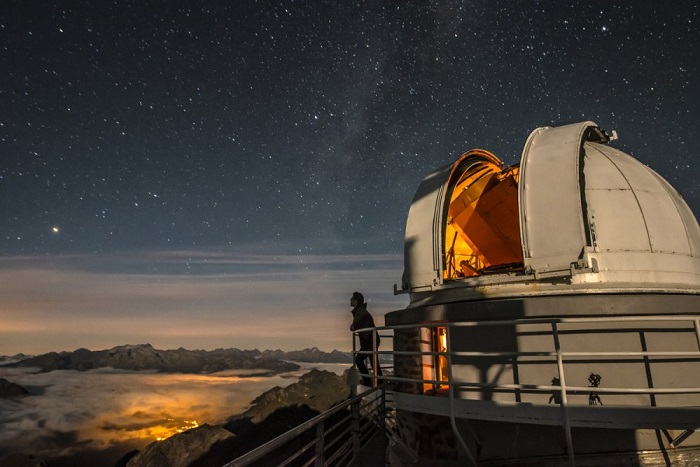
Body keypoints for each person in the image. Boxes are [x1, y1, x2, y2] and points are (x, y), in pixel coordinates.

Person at [349, 291, 382, 386]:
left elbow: (355, 326)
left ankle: (368, 382)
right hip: (371, 340)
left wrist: (353, 326)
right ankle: (380, 383)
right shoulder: (361, 311)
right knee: (374, 363)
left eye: (352, 299)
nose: (350, 300)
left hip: (369, 342)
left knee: (358, 360)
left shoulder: (360, 312)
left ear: (356, 301)